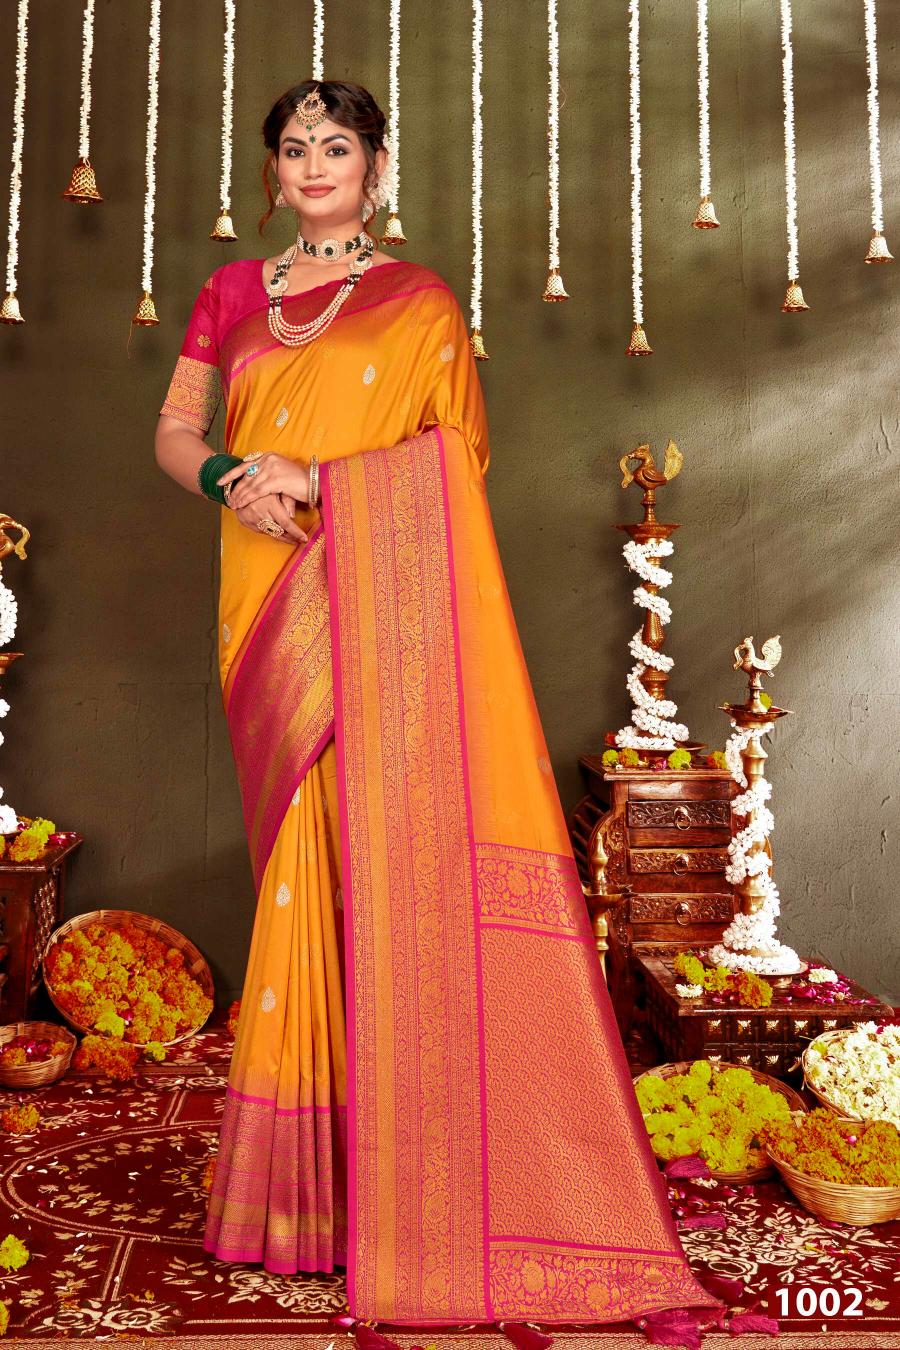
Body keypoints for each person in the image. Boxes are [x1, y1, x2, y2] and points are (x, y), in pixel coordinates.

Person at [154, 79, 722, 1335]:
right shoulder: (232, 293)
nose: (313, 163)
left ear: (375, 166)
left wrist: (322, 480)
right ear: (272, 171)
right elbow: (175, 431)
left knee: (374, 857)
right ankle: (294, 1195)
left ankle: (390, 1184)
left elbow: (455, 460)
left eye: (335, 145)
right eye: (293, 147)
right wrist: (233, 475)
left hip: (369, 593)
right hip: (265, 595)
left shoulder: (419, 301)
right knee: (297, 861)